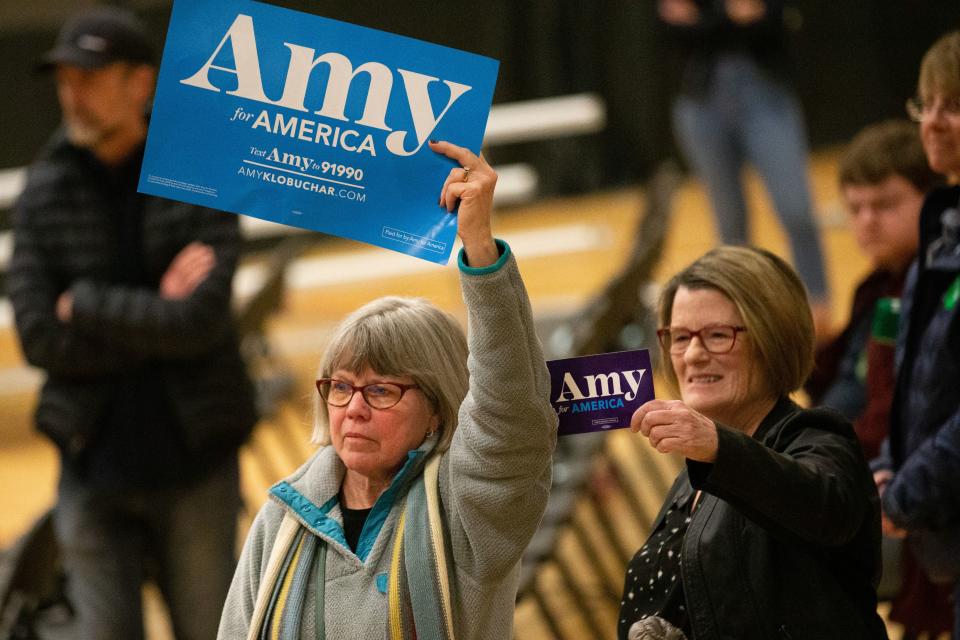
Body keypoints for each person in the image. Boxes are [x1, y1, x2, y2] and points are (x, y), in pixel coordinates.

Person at [217, 140, 558, 639]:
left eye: (380, 392)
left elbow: (510, 411)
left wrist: (479, 247)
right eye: (340, 387)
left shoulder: (468, 504)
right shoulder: (284, 515)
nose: (353, 409)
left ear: (438, 409)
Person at [7, 7, 257, 639]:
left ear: (142, 85)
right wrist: (156, 314)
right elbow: (40, 337)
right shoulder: (44, 190)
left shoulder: (201, 172)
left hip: (194, 459)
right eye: (65, 79)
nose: (73, 94)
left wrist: (87, 306)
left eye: (90, 77)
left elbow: (200, 321)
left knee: (213, 631)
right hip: (92, 466)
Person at [619, 245, 887, 640]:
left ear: (771, 338)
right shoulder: (698, 466)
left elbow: (825, 505)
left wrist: (716, 446)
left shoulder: (817, 438)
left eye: (717, 335)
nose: (693, 354)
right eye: (679, 337)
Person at [805, 120, 952, 637]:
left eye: (884, 206)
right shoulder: (877, 286)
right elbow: (845, 385)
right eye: (854, 209)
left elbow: (893, 414)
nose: (866, 222)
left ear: (934, 201)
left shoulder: (929, 291)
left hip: (891, 495)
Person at [657, 0, 831, 333]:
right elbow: (672, 30)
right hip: (701, 103)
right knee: (730, 224)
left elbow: (776, 21)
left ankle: (819, 309)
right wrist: (730, 18)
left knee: (796, 209)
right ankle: (742, 317)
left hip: (765, 94)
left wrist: (706, 20)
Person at [877, 29, 960, 639]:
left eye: (953, 105)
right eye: (924, 104)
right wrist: (890, 464)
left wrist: (906, 490)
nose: (932, 122)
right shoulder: (944, 225)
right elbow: (919, 375)